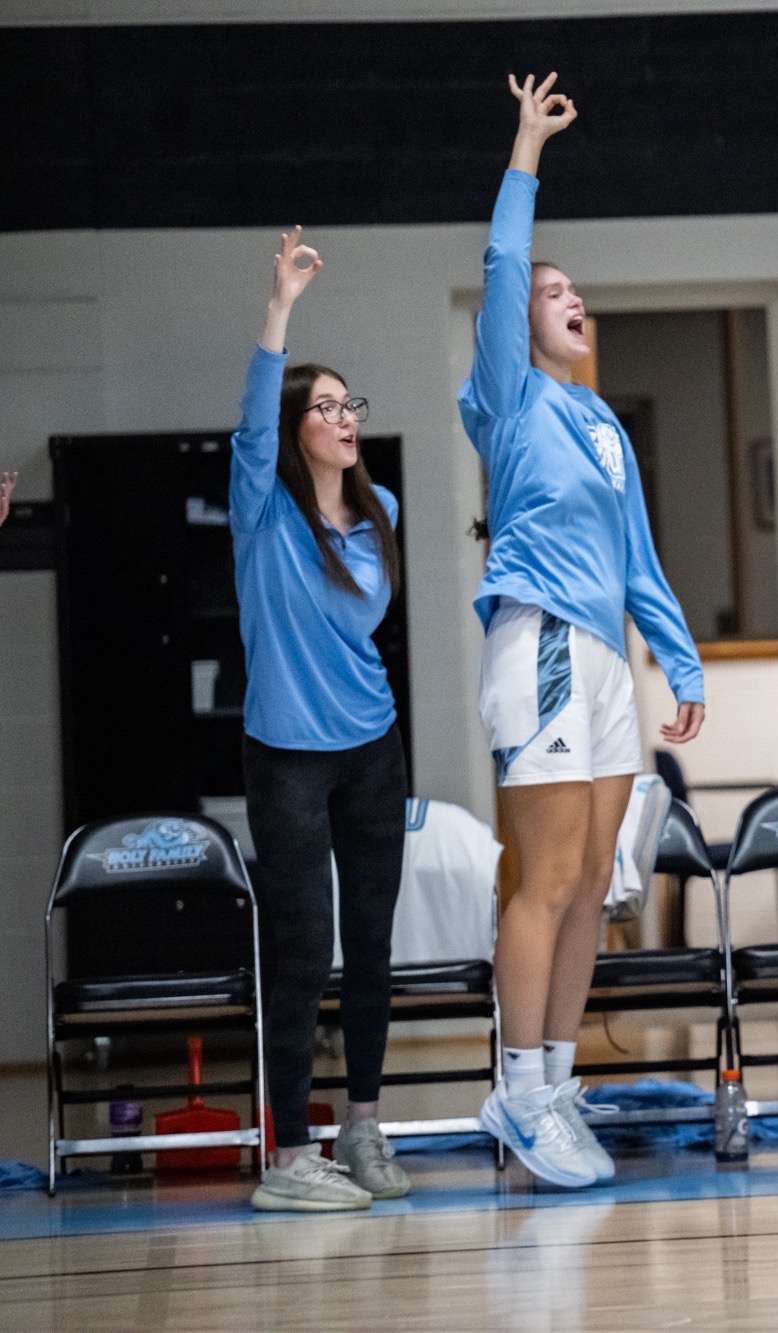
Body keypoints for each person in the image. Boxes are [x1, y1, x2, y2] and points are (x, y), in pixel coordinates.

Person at [460, 74, 705, 1188]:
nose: (568, 297)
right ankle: (515, 1091)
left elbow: (638, 557)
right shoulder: (508, 399)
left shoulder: (601, 419)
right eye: (551, 290)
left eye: (576, 290)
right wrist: (527, 146)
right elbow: (503, 265)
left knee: (594, 886)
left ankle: (553, 1084)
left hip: (604, 657)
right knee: (545, 881)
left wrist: (680, 659)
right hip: (543, 640)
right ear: (518, 322)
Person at [233, 227, 410, 1211]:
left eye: (351, 405)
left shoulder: (378, 504)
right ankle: (290, 1153)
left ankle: (365, 1126)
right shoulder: (263, 506)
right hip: (287, 758)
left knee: (373, 941)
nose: (346, 418)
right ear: (299, 428)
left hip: (371, 750)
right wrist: (280, 309)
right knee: (304, 948)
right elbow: (251, 422)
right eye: (327, 407)